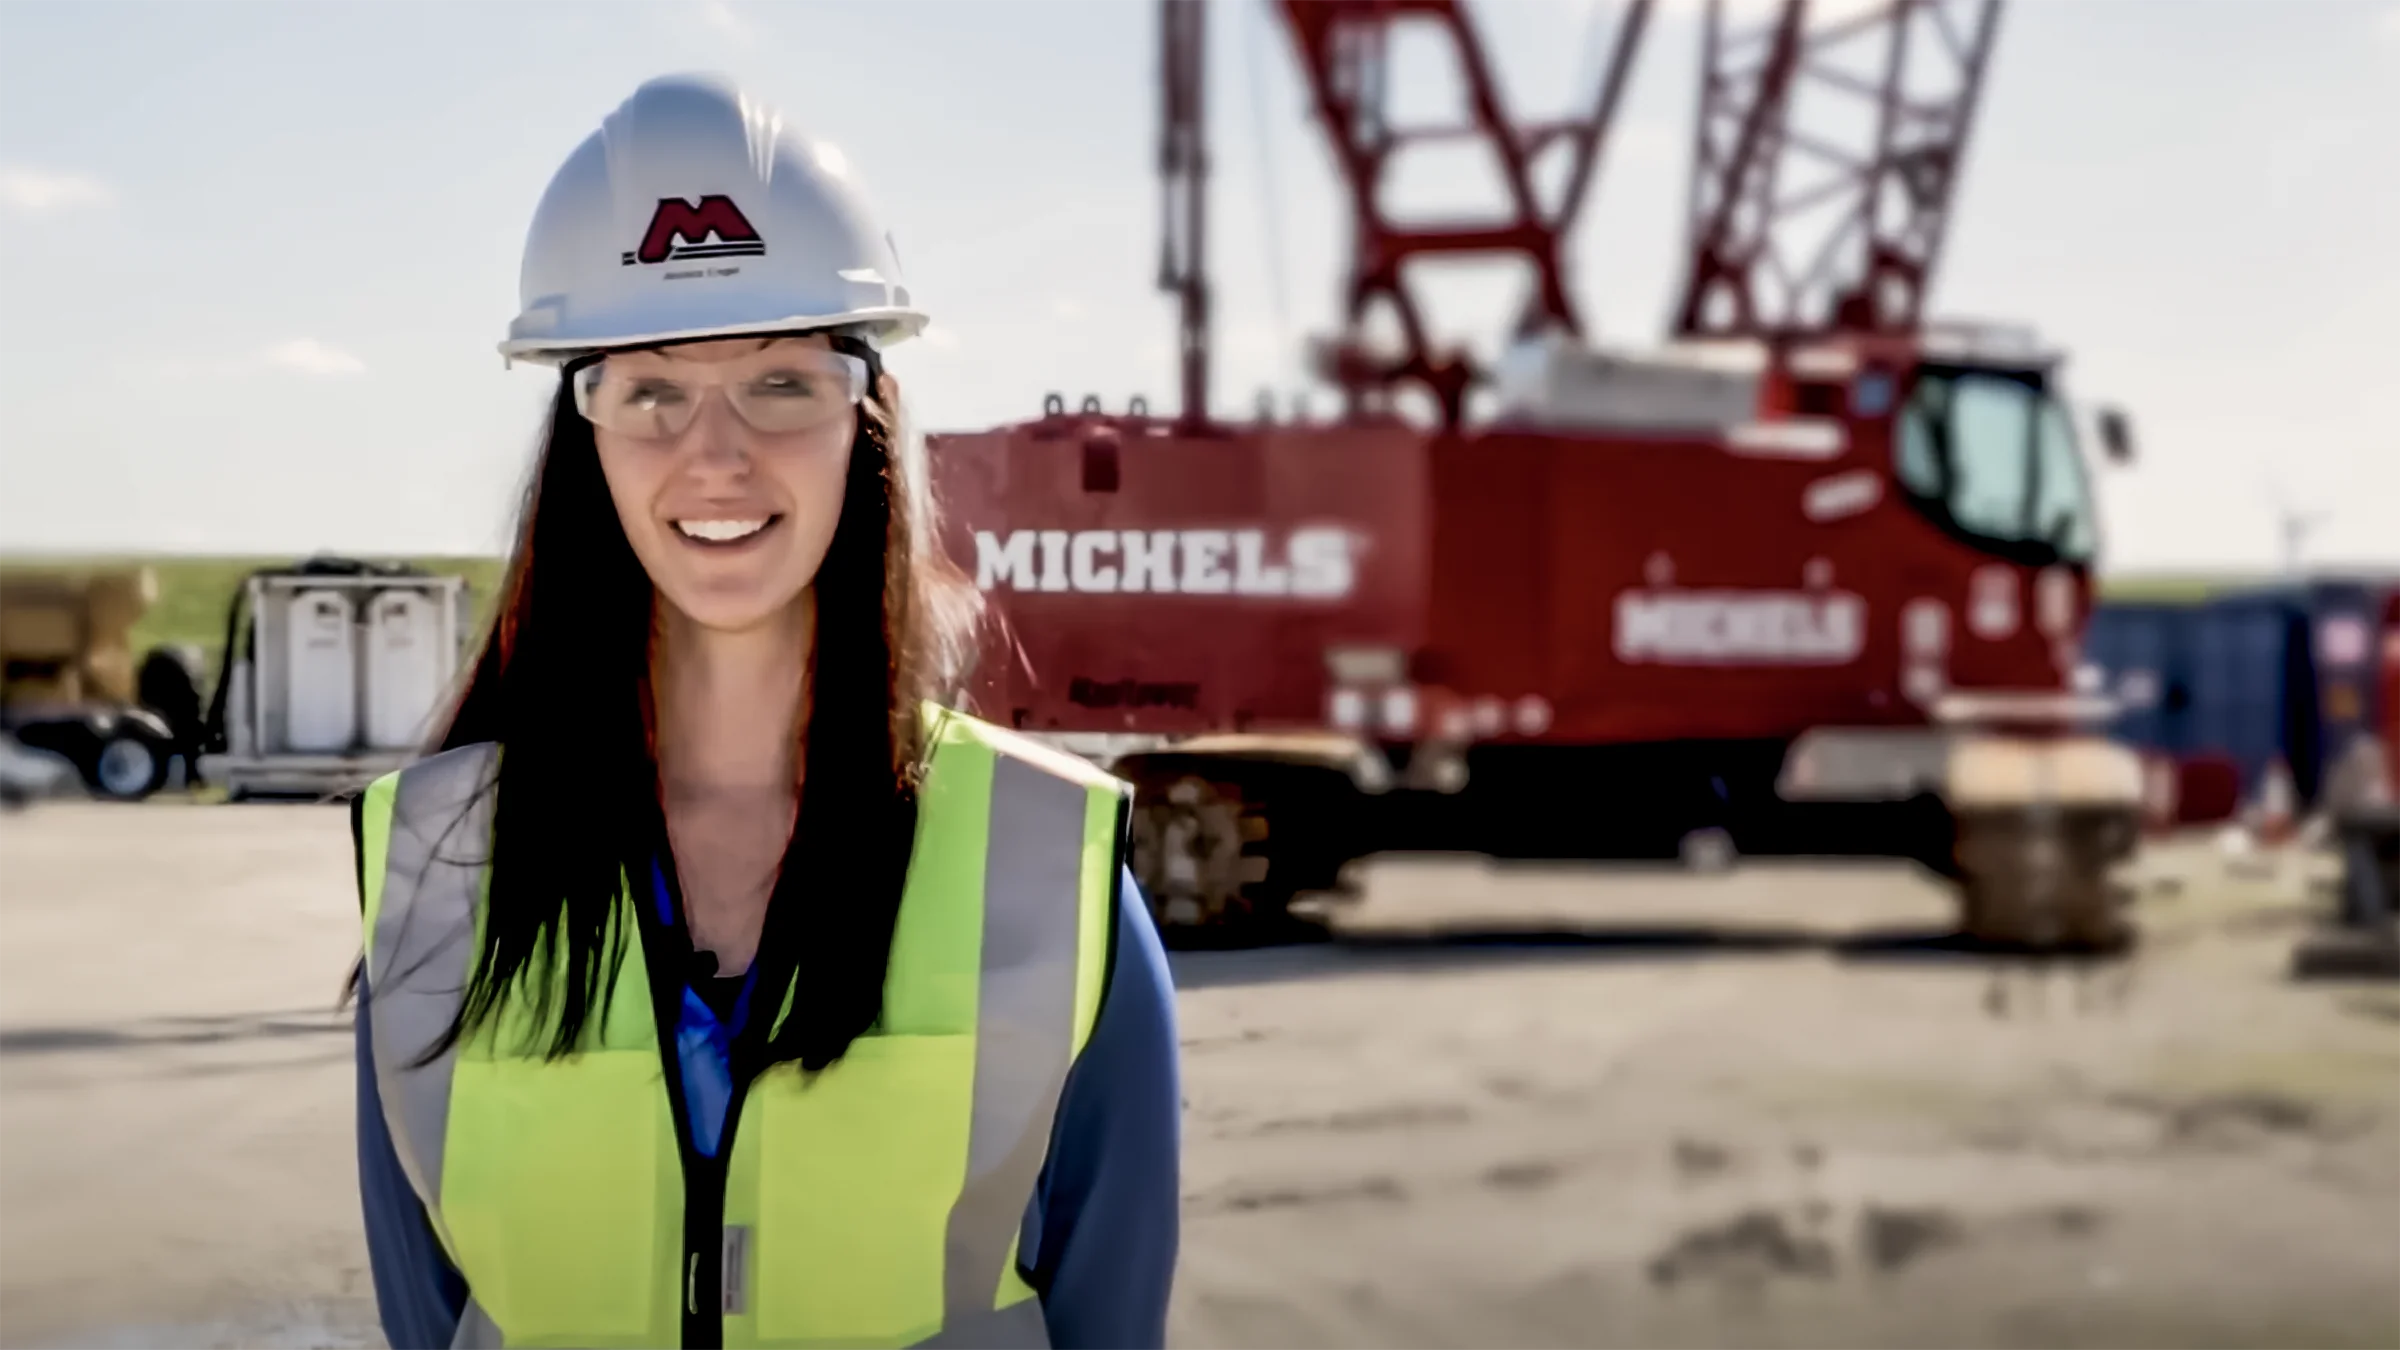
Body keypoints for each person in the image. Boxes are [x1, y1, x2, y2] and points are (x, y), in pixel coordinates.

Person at [349, 73, 1181, 1350]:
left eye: (782, 383)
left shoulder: (1049, 873)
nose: (717, 454)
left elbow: (1108, 1316)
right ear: (587, 438)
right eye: (652, 391)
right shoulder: (436, 873)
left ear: (866, 420)